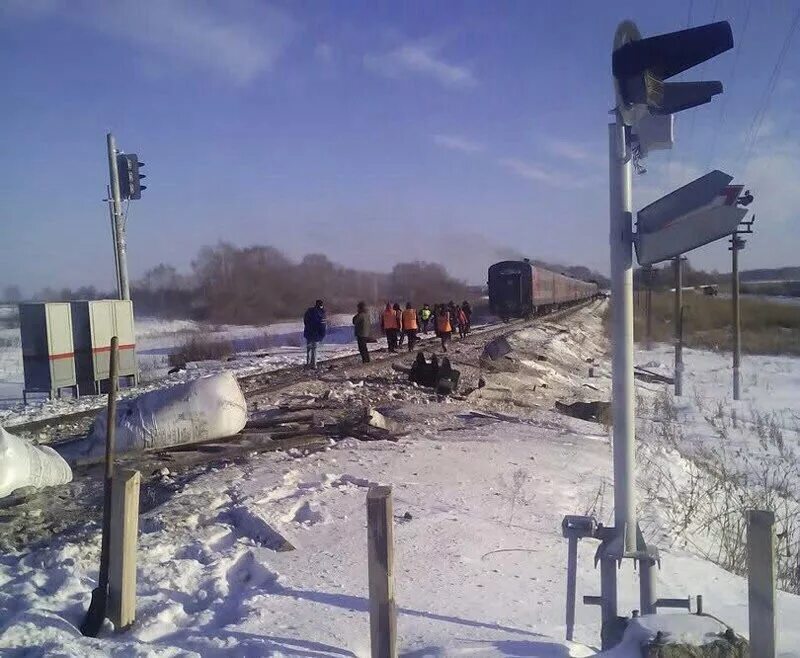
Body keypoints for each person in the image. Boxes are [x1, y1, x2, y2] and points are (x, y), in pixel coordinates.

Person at [302, 299, 327, 369]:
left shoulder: (309, 311)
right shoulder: (322, 313)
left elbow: (305, 321)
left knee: (309, 348)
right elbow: (323, 325)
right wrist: (323, 334)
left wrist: (308, 327)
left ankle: (308, 363)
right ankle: (314, 364)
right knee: (314, 349)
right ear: (321, 305)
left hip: (309, 332)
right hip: (316, 333)